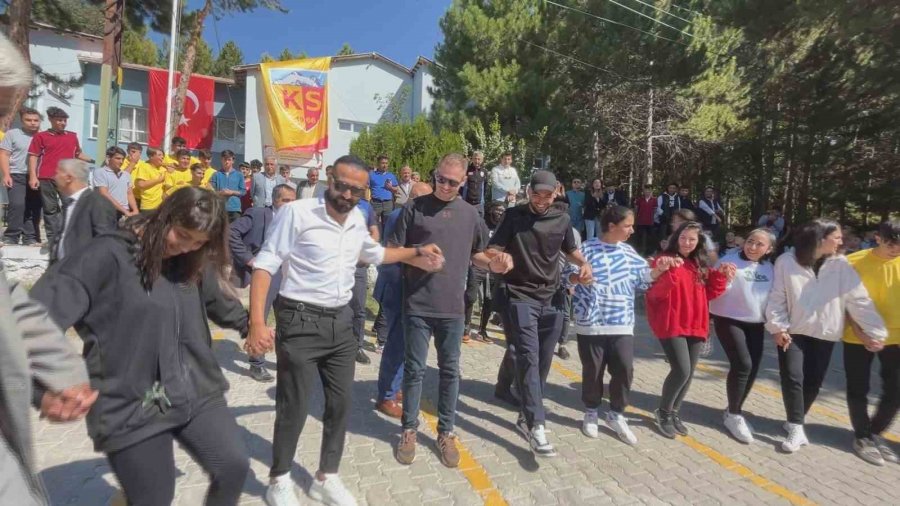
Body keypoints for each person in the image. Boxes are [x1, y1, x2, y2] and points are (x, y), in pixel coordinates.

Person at [31, 187, 253, 506]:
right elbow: (30, 321)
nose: (186, 247)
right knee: (154, 497)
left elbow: (216, 300)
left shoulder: (191, 257)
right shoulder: (105, 256)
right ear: (166, 216)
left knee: (233, 466)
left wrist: (250, 325)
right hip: (129, 403)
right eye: (182, 235)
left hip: (194, 387)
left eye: (199, 243)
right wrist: (43, 391)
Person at [245, 155, 443, 506]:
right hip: (299, 321)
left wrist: (416, 251)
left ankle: (326, 476)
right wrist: (257, 323)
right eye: (341, 184)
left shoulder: (356, 220)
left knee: (340, 404)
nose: (347, 194)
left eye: (356, 189)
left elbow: (376, 253)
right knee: (294, 406)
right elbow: (265, 265)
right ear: (329, 179)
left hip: (341, 324)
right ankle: (278, 479)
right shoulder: (297, 213)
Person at [479, 170, 592, 457]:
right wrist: (499, 258)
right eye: (536, 193)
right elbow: (492, 249)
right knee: (528, 356)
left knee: (542, 361)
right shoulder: (514, 216)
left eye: (547, 194)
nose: (541, 200)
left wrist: (583, 264)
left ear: (556, 192)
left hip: (552, 298)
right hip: (519, 296)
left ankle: (527, 412)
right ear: (528, 190)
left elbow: (570, 250)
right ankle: (535, 424)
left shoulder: (563, 219)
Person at [390, 154, 488, 468]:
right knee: (415, 370)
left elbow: (480, 254)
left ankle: (446, 432)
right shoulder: (413, 209)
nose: (444, 186)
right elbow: (393, 251)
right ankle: (409, 430)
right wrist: (418, 259)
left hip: (453, 309)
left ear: (463, 184)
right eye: (440, 179)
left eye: (452, 182)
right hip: (417, 304)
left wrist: (496, 263)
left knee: (450, 372)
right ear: (435, 175)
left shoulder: (471, 215)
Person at [765, 219, 887, 453]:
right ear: (820, 239)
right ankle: (797, 428)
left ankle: (794, 419)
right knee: (793, 376)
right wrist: (778, 327)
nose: (842, 241)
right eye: (837, 237)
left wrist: (874, 331)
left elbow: (859, 300)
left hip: (825, 332)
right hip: (794, 330)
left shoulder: (840, 265)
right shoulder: (787, 261)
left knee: (813, 382)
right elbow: (777, 297)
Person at [568, 206, 679, 445]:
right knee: (593, 371)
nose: (632, 230)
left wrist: (659, 270)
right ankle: (591, 411)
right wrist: (578, 278)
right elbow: (568, 277)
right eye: (628, 225)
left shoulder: (628, 253)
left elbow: (644, 277)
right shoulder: (585, 250)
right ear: (612, 226)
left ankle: (616, 413)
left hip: (621, 323)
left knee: (624, 370)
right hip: (591, 322)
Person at [646, 221, 734, 439]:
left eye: (692, 239)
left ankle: (674, 412)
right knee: (681, 370)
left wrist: (721, 275)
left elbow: (709, 295)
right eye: (683, 238)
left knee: (689, 372)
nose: (686, 243)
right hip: (671, 322)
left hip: (696, 323)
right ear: (676, 238)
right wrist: (668, 271)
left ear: (698, 242)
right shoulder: (664, 259)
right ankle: (663, 411)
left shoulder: (699, 265)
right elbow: (655, 295)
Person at [708, 228, 776, 444]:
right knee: (743, 364)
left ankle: (733, 409)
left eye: (759, 244)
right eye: (750, 241)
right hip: (728, 318)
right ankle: (734, 415)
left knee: (753, 367)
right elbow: (713, 289)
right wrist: (725, 278)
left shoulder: (770, 268)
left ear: (769, 249)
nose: (753, 247)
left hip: (755, 322)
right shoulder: (728, 261)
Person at [842, 219, 900, 466]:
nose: (896, 249)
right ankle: (862, 437)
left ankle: (875, 432)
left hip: (896, 338)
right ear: (878, 237)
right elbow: (843, 302)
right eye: (891, 243)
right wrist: (861, 332)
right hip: (857, 336)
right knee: (858, 388)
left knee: (896, 391)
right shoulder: (853, 262)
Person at [374, 181, 434, 418]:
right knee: (397, 344)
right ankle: (386, 396)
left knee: (406, 344)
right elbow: (392, 255)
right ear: (414, 199)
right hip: (396, 287)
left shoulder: (415, 215)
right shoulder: (401, 216)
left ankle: (394, 387)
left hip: (406, 288)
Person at [230, 184, 297, 383]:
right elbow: (230, 233)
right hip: (265, 275)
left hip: (289, 275)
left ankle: (285, 361)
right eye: (286, 200)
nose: (290, 205)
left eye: (293, 201)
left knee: (287, 321)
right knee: (259, 318)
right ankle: (256, 363)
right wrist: (249, 259)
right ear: (275, 200)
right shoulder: (258, 214)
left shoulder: (296, 219)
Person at [27, 107, 94, 248]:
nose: (63, 123)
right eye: (59, 120)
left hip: (68, 178)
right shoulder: (41, 136)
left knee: (70, 206)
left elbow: (78, 154)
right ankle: (53, 239)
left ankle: (70, 236)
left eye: (64, 120)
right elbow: (33, 156)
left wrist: (93, 159)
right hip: (46, 177)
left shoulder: (72, 136)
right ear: (51, 120)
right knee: (50, 209)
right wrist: (33, 176)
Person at [48, 159, 118, 265]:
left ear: (68, 178)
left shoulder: (97, 202)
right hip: (61, 273)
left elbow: (105, 243)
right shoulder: (69, 203)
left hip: (82, 274)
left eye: (58, 173)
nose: (55, 177)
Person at [1, 107, 43, 246]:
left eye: (35, 120)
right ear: (22, 121)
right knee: (17, 205)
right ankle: (11, 236)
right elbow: (4, 154)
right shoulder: (12, 134)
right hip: (16, 174)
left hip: (37, 177)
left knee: (33, 207)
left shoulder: (43, 136)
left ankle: (30, 237)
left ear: (40, 121)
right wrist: (6, 174)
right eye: (28, 120)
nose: (32, 123)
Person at [93, 146, 138, 218]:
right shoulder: (100, 172)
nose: (121, 161)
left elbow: (129, 194)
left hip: (124, 213)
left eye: (122, 159)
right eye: (118, 158)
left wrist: (135, 210)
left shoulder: (126, 175)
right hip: (107, 212)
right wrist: (125, 211)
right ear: (108, 158)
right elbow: (104, 193)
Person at [210, 150, 245, 222]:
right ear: (221, 160)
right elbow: (210, 191)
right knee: (220, 232)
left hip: (235, 209)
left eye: (229, 159)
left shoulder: (239, 175)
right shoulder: (216, 174)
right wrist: (221, 193)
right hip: (220, 209)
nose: (227, 162)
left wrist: (231, 192)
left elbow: (243, 191)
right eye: (225, 159)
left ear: (233, 161)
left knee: (234, 232)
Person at [131, 148, 168, 213]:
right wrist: (158, 180)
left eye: (163, 155)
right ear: (151, 157)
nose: (162, 157)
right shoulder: (144, 166)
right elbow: (141, 184)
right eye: (159, 155)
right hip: (148, 206)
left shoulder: (164, 169)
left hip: (162, 206)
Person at [368, 155, 399, 230]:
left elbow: (397, 189)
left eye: (386, 163)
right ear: (378, 163)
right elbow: (366, 187)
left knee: (388, 224)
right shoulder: (371, 175)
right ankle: (375, 240)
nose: (385, 165)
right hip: (375, 203)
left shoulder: (391, 176)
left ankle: (385, 240)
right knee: (373, 224)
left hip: (388, 203)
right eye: (382, 163)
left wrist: (391, 187)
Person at [632, 184, 657, 257]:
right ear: (644, 191)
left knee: (650, 238)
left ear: (651, 191)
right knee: (640, 237)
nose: (647, 192)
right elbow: (636, 210)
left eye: (649, 190)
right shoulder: (639, 200)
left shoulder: (654, 200)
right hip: (640, 222)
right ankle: (639, 251)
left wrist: (653, 219)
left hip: (650, 222)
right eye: (646, 190)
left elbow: (655, 211)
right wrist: (635, 219)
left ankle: (649, 253)